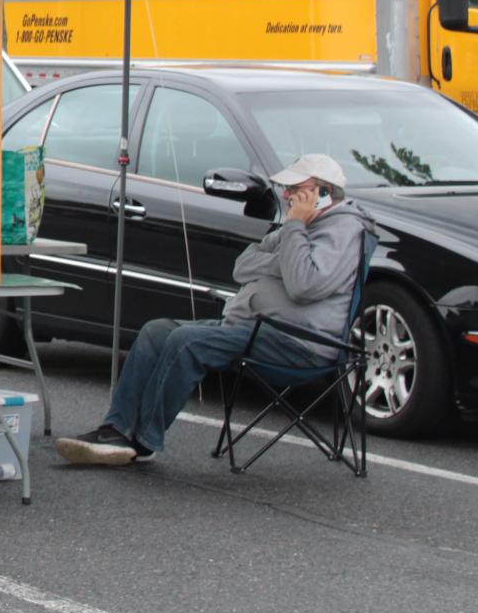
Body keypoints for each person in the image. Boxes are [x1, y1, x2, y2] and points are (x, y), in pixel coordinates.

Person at [58, 153, 377, 467]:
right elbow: (242, 266)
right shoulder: (299, 226)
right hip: (253, 326)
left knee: (187, 341)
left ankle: (143, 440)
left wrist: (293, 229)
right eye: (287, 188)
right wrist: (285, 254)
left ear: (323, 193)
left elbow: (303, 284)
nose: (287, 194)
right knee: (156, 331)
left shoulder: (342, 231)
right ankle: (115, 429)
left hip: (298, 341)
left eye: (295, 189)